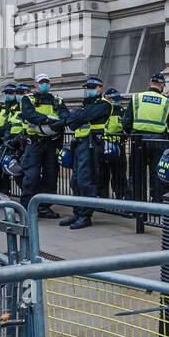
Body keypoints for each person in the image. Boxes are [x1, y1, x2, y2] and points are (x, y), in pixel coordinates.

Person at [55, 77, 112, 230]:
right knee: (75, 181)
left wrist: (76, 115)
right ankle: (77, 212)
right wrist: (75, 116)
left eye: (93, 87)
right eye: (88, 87)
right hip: (80, 144)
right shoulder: (87, 105)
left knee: (85, 181)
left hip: (92, 145)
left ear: (100, 88)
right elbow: (74, 122)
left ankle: (85, 216)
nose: (89, 90)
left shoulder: (104, 105)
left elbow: (81, 117)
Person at [19, 72, 69, 219]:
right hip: (35, 143)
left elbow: (65, 114)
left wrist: (60, 122)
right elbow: (30, 115)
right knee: (32, 176)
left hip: (52, 143)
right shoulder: (28, 99)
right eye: (41, 82)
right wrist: (49, 120)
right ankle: (26, 208)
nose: (45, 84)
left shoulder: (57, 100)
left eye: (47, 82)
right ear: (36, 85)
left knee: (51, 176)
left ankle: (44, 207)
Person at [122, 71, 169, 200]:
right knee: (157, 174)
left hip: (138, 140)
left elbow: (126, 121)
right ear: (162, 86)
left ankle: (136, 205)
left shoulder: (136, 98)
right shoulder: (166, 102)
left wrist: (131, 132)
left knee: (136, 173)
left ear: (150, 83)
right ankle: (156, 204)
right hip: (159, 141)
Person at [0, 83, 21, 191]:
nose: (8, 95)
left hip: (13, 142)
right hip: (0, 142)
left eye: (10, 93)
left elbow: (9, 126)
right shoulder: (2, 108)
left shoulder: (19, 107)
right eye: (6, 93)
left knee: (13, 171)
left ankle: (6, 194)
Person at [100, 87, 128, 199]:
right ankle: (103, 199)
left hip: (118, 146)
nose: (118, 101)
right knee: (103, 174)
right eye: (116, 99)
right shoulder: (101, 109)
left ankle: (120, 197)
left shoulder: (122, 111)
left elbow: (126, 126)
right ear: (109, 99)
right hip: (103, 144)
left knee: (119, 174)